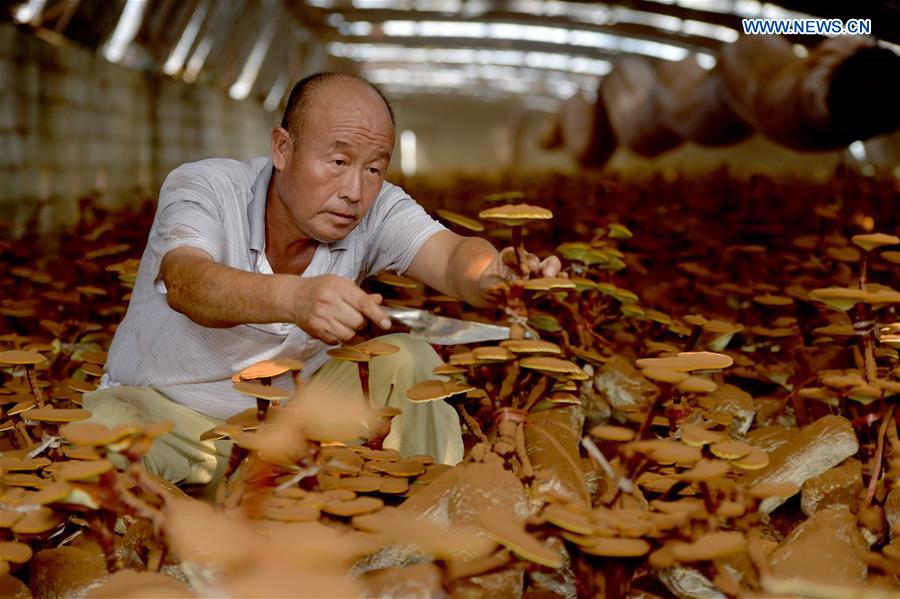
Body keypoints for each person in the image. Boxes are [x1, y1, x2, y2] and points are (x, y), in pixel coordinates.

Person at [84, 72, 561, 489]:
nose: (354, 191)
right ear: (282, 148)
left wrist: (497, 274)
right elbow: (188, 283)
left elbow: (453, 254)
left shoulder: (377, 208)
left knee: (409, 357)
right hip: (168, 415)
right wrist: (297, 298)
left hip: (293, 424)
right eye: (337, 161)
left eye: (373, 168)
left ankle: (430, 525)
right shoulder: (206, 187)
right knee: (102, 430)